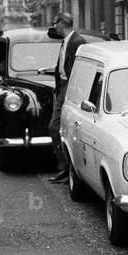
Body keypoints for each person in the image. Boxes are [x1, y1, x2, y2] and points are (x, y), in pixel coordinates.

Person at [48, 12, 85, 183]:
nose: (55, 26)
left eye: (56, 23)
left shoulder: (77, 42)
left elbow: (78, 70)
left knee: (60, 127)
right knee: (55, 127)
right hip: (62, 88)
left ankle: (68, 169)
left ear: (63, 23)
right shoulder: (66, 41)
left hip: (71, 90)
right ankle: (64, 167)